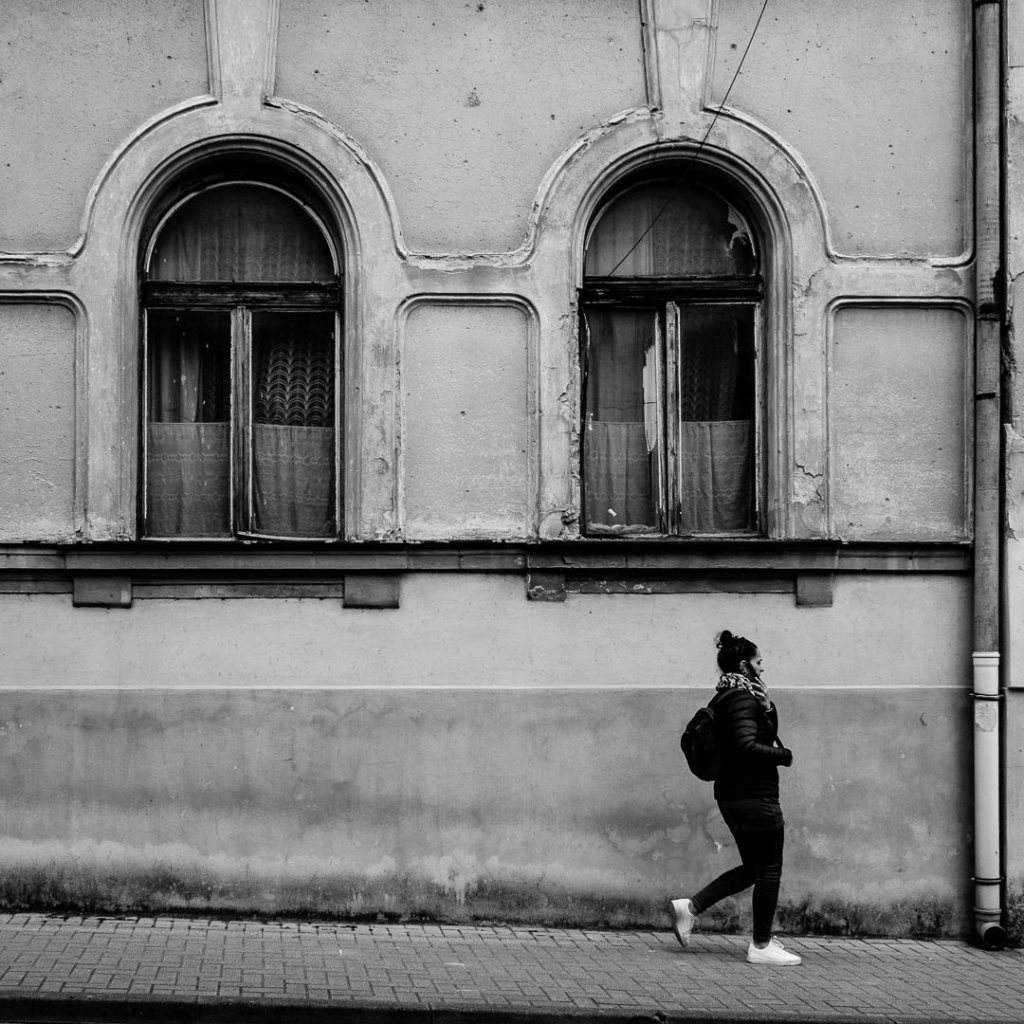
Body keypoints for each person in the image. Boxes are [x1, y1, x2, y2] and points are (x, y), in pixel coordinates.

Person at [668, 630, 801, 966]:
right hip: (754, 796)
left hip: (733, 796)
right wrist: (782, 755)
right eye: (759, 662)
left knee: (754, 868)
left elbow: (751, 732)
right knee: (770, 869)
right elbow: (745, 746)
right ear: (745, 665)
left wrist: (768, 708)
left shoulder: (727, 697)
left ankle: (690, 908)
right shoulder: (741, 700)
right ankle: (760, 945)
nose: (763, 668)